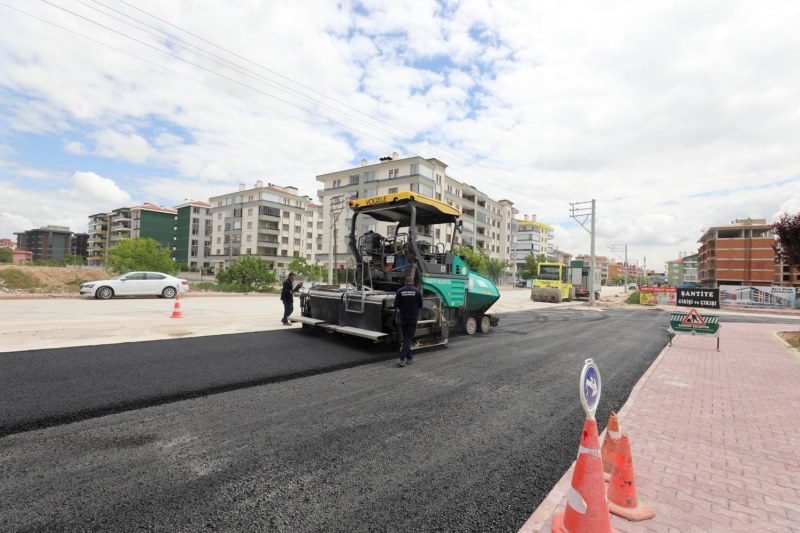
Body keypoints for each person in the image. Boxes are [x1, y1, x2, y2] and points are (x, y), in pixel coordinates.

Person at [394, 274, 423, 367]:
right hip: (413, 318)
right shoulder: (417, 291)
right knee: (408, 338)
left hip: (403, 318)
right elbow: (421, 305)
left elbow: (396, 305)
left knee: (406, 337)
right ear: (412, 282)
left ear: (405, 282)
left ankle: (409, 357)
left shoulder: (400, 291)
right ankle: (401, 358)